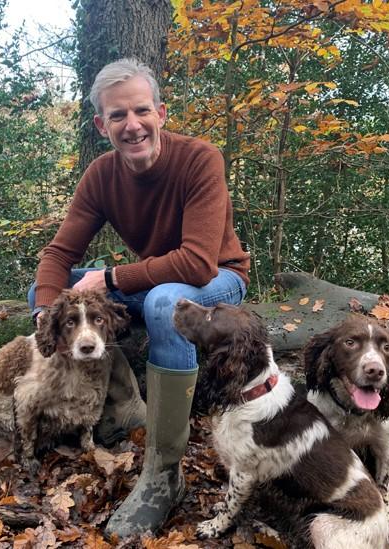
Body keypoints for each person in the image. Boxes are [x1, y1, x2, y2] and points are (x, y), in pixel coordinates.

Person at [27, 58, 250, 536]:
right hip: (153, 283)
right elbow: (58, 254)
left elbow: (197, 263)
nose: (132, 126)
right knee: (49, 295)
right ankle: (124, 406)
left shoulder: (200, 159)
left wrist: (109, 279)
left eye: (141, 111)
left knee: (164, 302)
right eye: (117, 116)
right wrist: (47, 313)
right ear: (100, 124)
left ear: (161, 113)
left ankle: (164, 474)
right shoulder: (102, 175)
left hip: (220, 280)